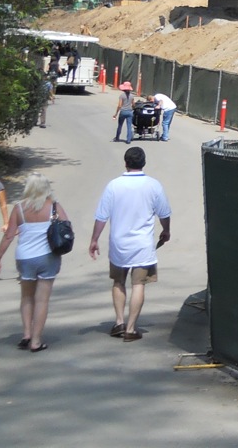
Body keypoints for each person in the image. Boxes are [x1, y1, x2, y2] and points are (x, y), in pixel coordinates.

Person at [89, 146, 171, 342]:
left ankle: (119, 322)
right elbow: (164, 214)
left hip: (119, 244)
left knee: (118, 282)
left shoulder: (114, 185)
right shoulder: (153, 186)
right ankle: (131, 328)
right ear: (144, 163)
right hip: (142, 245)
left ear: (125, 163)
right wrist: (166, 230)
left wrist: (94, 239)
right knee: (138, 284)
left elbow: (101, 217)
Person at [0, 171, 68, 351]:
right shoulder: (54, 206)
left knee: (26, 297)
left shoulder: (19, 208)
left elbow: (9, 236)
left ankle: (26, 334)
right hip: (48, 257)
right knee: (42, 300)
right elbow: (67, 227)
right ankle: (36, 341)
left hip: (25, 258)